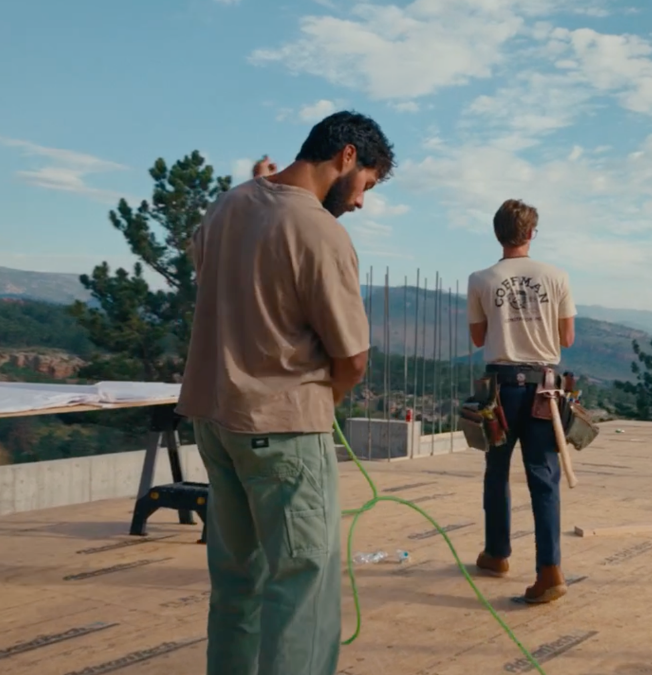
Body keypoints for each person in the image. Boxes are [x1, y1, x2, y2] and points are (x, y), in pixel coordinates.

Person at [176, 110, 395, 675]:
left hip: (215, 421)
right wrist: (330, 399)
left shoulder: (229, 204)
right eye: (366, 184)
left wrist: (258, 181)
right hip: (285, 433)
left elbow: (209, 254)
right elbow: (352, 357)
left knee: (236, 583)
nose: (360, 201)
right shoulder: (320, 232)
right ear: (346, 155)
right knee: (302, 589)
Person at [467, 198, 577, 605]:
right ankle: (550, 570)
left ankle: (497, 555)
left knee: (496, 471)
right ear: (531, 233)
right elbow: (566, 339)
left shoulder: (481, 278)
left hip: (500, 389)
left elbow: (479, 339)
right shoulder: (557, 277)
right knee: (543, 478)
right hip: (544, 389)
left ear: (498, 234)